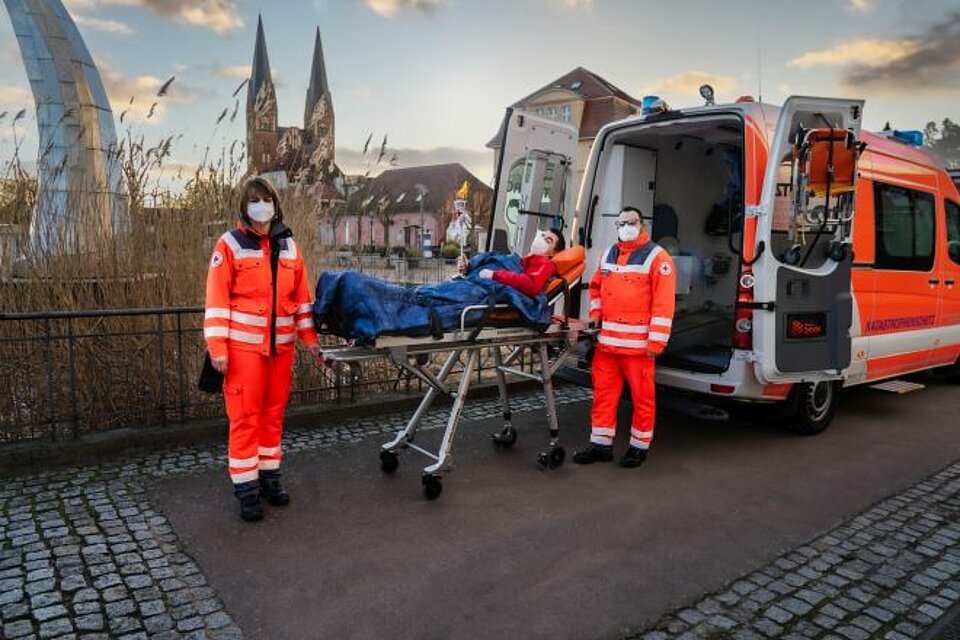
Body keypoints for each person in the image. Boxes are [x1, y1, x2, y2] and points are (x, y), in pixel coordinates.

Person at [204, 176, 323, 522]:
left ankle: (270, 478)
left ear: (274, 203)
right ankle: (246, 489)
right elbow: (217, 301)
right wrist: (217, 347)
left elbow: (301, 301)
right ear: (244, 206)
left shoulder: (290, 247)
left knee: (273, 417)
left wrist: (311, 342)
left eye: (266, 198)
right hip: (242, 351)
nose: (261, 205)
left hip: (280, 350)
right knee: (245, 419)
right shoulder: (229, 244)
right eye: (254, 199)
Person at [573, 206, 675, 468]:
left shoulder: (658, 257)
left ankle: (639, 447)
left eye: (631, 222)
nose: (626, 227)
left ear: (643, 225)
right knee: (603, 396)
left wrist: (656, 342)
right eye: (621, 223)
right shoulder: (608, 253)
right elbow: (595, 288)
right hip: (607, 345)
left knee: (643, 399)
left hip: (639, 348)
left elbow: (663, 304)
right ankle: (600, 445)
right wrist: (595, 314)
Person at [457, 227, 566, 295]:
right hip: (473, 282)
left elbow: (531, 284)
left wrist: (494, 274)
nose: (541, 240)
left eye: (548, 240)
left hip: (477, 287)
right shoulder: (525, 261)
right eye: (543, 236)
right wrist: (469, 266)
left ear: (554, 253)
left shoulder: (545, 264)